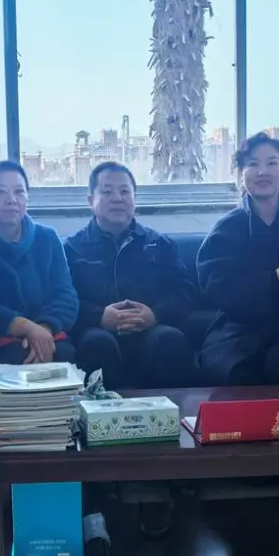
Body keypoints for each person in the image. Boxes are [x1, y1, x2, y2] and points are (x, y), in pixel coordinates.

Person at [196, 132, 279, 387]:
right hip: (239, 329)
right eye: (253, 164)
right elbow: (215, 285)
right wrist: (274, 279)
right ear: (241, 173)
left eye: (272, 163)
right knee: (235, 369)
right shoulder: (227, 228)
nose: (262, 172)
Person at [65, 162, 198, 389]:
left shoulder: (159, 244)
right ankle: (100, 412)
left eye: (125, 191)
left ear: (135, 198)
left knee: (169, 340)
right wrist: (99, 316)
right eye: (107, 192)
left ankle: (173, 411)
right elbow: (64, 300)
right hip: (96, 329)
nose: (117, 198)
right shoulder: (72, 248)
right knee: (97, 343)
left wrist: (155, 314)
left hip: (152, 328)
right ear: (91, 200)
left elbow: (186, 292)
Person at [0, 161, 79, 369]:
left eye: (19, 192)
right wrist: (23, 327)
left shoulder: (47, 238)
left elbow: (65, 295)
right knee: (16, 359)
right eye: (0, 192)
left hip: (47, 332)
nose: (11, 200)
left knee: (67, 354)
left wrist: (42, 328)